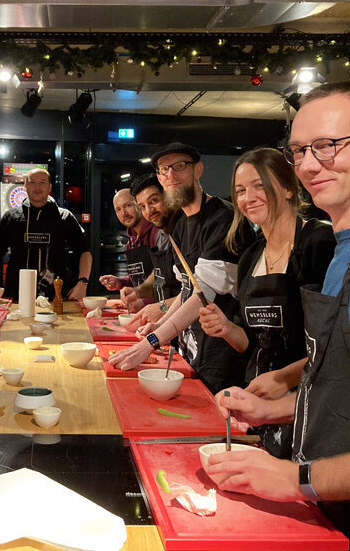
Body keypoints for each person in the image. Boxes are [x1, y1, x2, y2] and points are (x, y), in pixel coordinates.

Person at [207, 82, 350, 535]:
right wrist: (274, 410)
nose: (310, 164)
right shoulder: (341, 251)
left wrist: (298, 479)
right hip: (322, 493)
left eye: (328, 146)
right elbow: (336, 383)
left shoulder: (318, 242)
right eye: (299, 151)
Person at [198, 147, 335, 457]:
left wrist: (282, 378)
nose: (249, 197)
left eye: (260, 185)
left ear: (288, 187)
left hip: (309, 405)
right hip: (259, 407)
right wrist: (225, 328)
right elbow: (250, 341)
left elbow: (334, 347)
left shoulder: (318, 243)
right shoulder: (250, 257)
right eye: (241, 190)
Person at [109, 142, 255, 393]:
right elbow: (188, 290)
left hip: (223, 357)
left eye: (179, 167)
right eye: (164, 170)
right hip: (193, 350)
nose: (171, 176)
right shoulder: (181, 226)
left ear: (197, 170)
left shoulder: (222, 218)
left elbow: (204, 295)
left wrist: (151, 342)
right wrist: (159, 325)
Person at [0, 168, 92, 300]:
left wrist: (82, 284)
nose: (37, 187)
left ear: (49, 187)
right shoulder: (11, 217)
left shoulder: (64, 217)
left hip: (56, 294)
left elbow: (84, 252)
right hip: (17, 294)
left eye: (42, 182)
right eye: (32, 182)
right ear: (25, 186)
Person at [124, 174, 181, 324]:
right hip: (172, 328)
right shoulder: (163, 234)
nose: (149, 211)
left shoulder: (186, 230)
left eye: (153, 201)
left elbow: (199, 293)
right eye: (142, 207)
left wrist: (161, 307)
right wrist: (138, 291)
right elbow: (160, 273)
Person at [99, 188, 157, 304]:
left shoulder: (157, 234)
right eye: (118, 209)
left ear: (139, 204)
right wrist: (121, 282)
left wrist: (145, 302)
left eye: (128, 205)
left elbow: (165, 278)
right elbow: (139, 277)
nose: (123, 213)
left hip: (163, 310)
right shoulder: (130, 242)